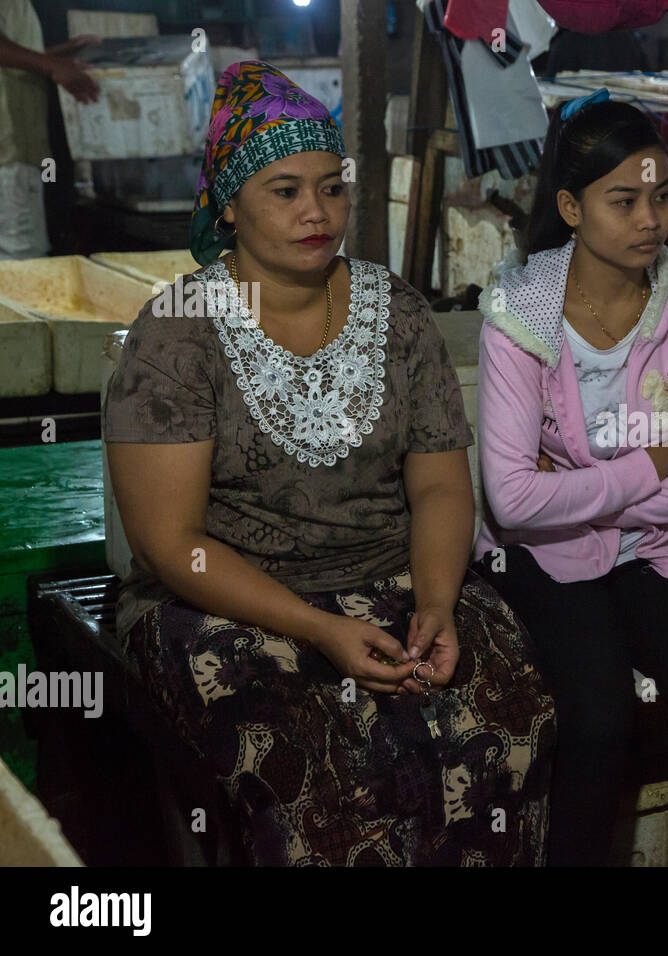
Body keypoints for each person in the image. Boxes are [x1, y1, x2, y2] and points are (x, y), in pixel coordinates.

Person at [102, 60, 554, 866]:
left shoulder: (401, 314)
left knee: (503, 719)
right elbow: (172, 544)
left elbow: (443, 483)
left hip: (391, 576)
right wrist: (318, 628)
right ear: (229, 204)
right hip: (226, 600)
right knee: (320, 763)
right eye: (285, 191)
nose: (318, 212)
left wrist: (440, 605)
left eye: (332, 186)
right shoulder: (178, 334)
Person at [471, 91, 668, 867]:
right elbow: (509, 502)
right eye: (624, 200)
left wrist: (572, 489)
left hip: (654, 549)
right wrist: (640, 468)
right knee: (598, 723)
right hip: (544, 561)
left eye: (661, 196)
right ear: (570, 206)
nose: (649, 220)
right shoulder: (519, 313)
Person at [0, 0, 99, 259]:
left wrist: (55, 55)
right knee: (21, 262)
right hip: (8, 152)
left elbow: (13, 54)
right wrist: (53, 65)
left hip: (16, 146)